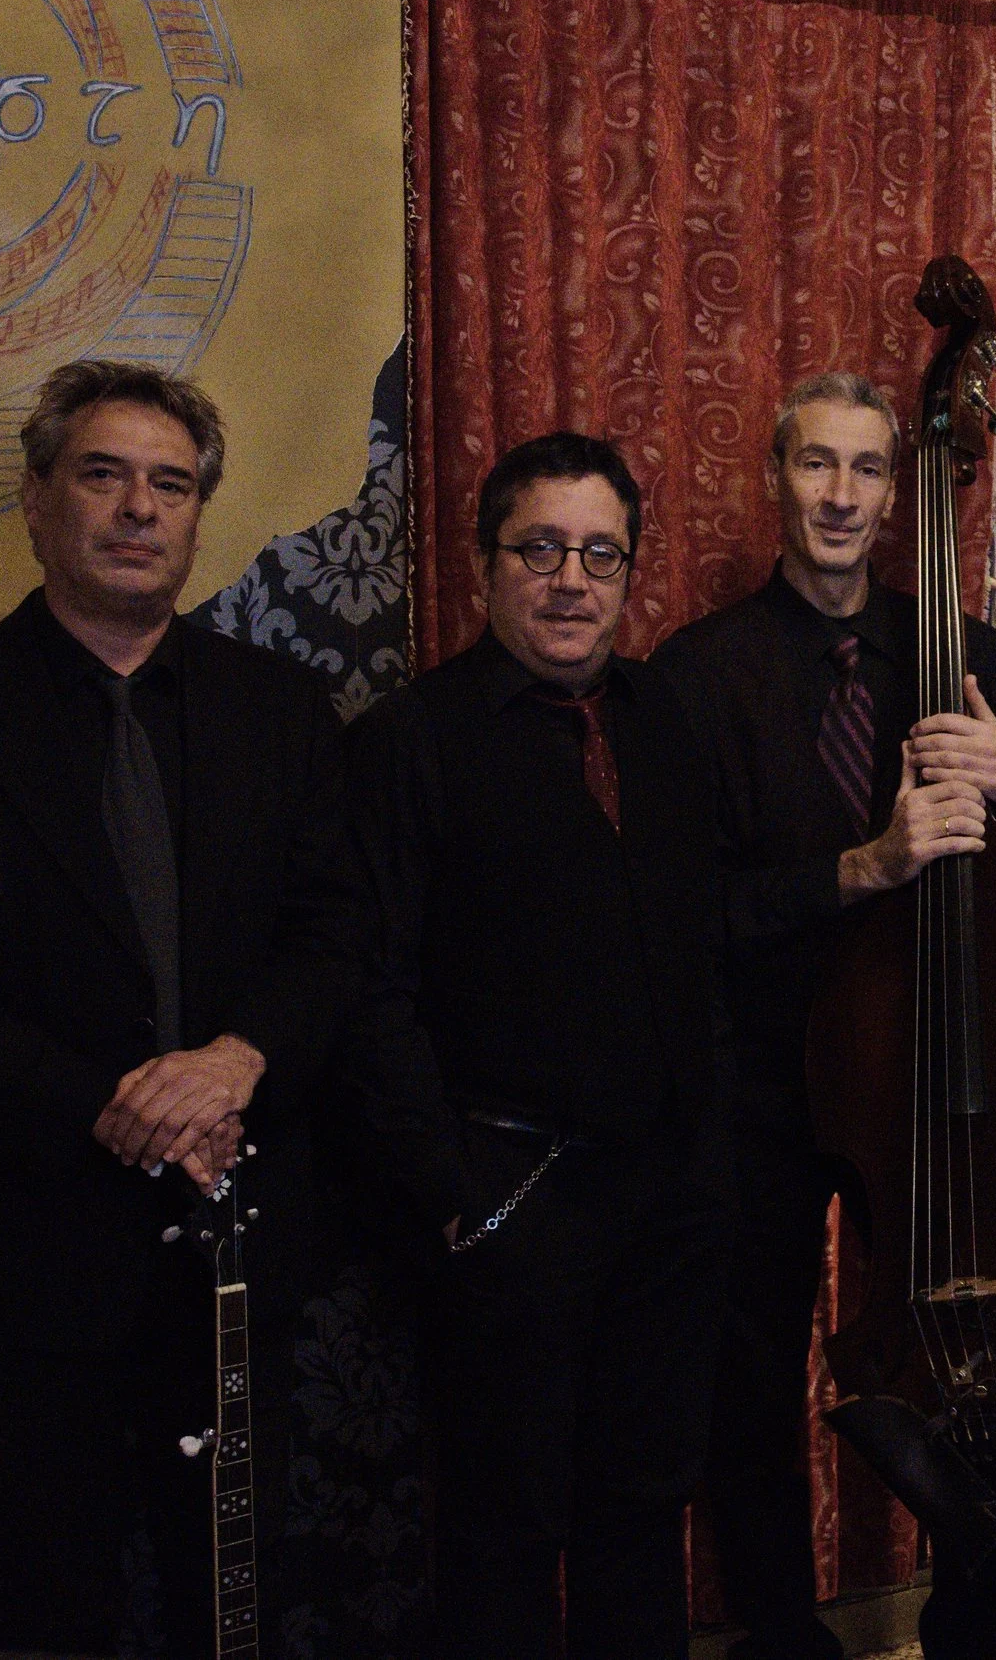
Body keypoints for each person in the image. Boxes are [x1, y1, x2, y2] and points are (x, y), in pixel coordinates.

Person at [653, 370, 996, 1660]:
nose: (841, 494)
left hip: (941, 1083)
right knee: (750, 1383)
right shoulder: (697, 672)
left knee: (974, 1365)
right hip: (766, 1086)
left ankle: (975, 1632)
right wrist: (864, 865)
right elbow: (679, 915)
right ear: (773, 480)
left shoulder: (963, 652)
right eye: (815, 464)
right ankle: (784, 1635)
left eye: (866, 469)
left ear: (899, 495)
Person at [0, 362, 358, 1655]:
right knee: (42, 1588)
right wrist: (110, 1104)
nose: (138, 509)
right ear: (36, 498)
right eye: (104, 475)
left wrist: (236, 1059)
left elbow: (337, 933)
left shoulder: (279, 709)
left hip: (234, 1230)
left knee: (227, 1588)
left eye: (170, 484)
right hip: (25, 1238)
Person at [343, 432, 734, 1658]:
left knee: (644, 1508)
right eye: (541, 550)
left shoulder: (670, 715)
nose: (572, 580)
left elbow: (711, 931)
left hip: (668, 1200)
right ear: (483, 565)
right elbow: (370, 989)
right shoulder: (411, 738)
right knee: (503, 1534)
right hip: (511, 1198)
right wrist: (453, 1192)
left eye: (600, 554)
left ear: (630, 572)